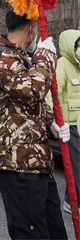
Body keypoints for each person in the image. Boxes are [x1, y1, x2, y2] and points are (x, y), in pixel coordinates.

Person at [0, 10, 69, 239]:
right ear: (32, 28)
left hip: (36, 158)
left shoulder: (17, 56)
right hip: (16, 161)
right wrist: (46, 56)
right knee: (32, 232)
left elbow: (29, 104)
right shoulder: (1, 56)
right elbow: (31, 91)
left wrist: (52, 123)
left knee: (54, 229)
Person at [56, 29, 80, 214]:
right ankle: (74, 203)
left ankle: (69, 200)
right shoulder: (62, 64)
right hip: (70, 126)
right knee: (77, 166)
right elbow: (54, 94)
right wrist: (56, 122)